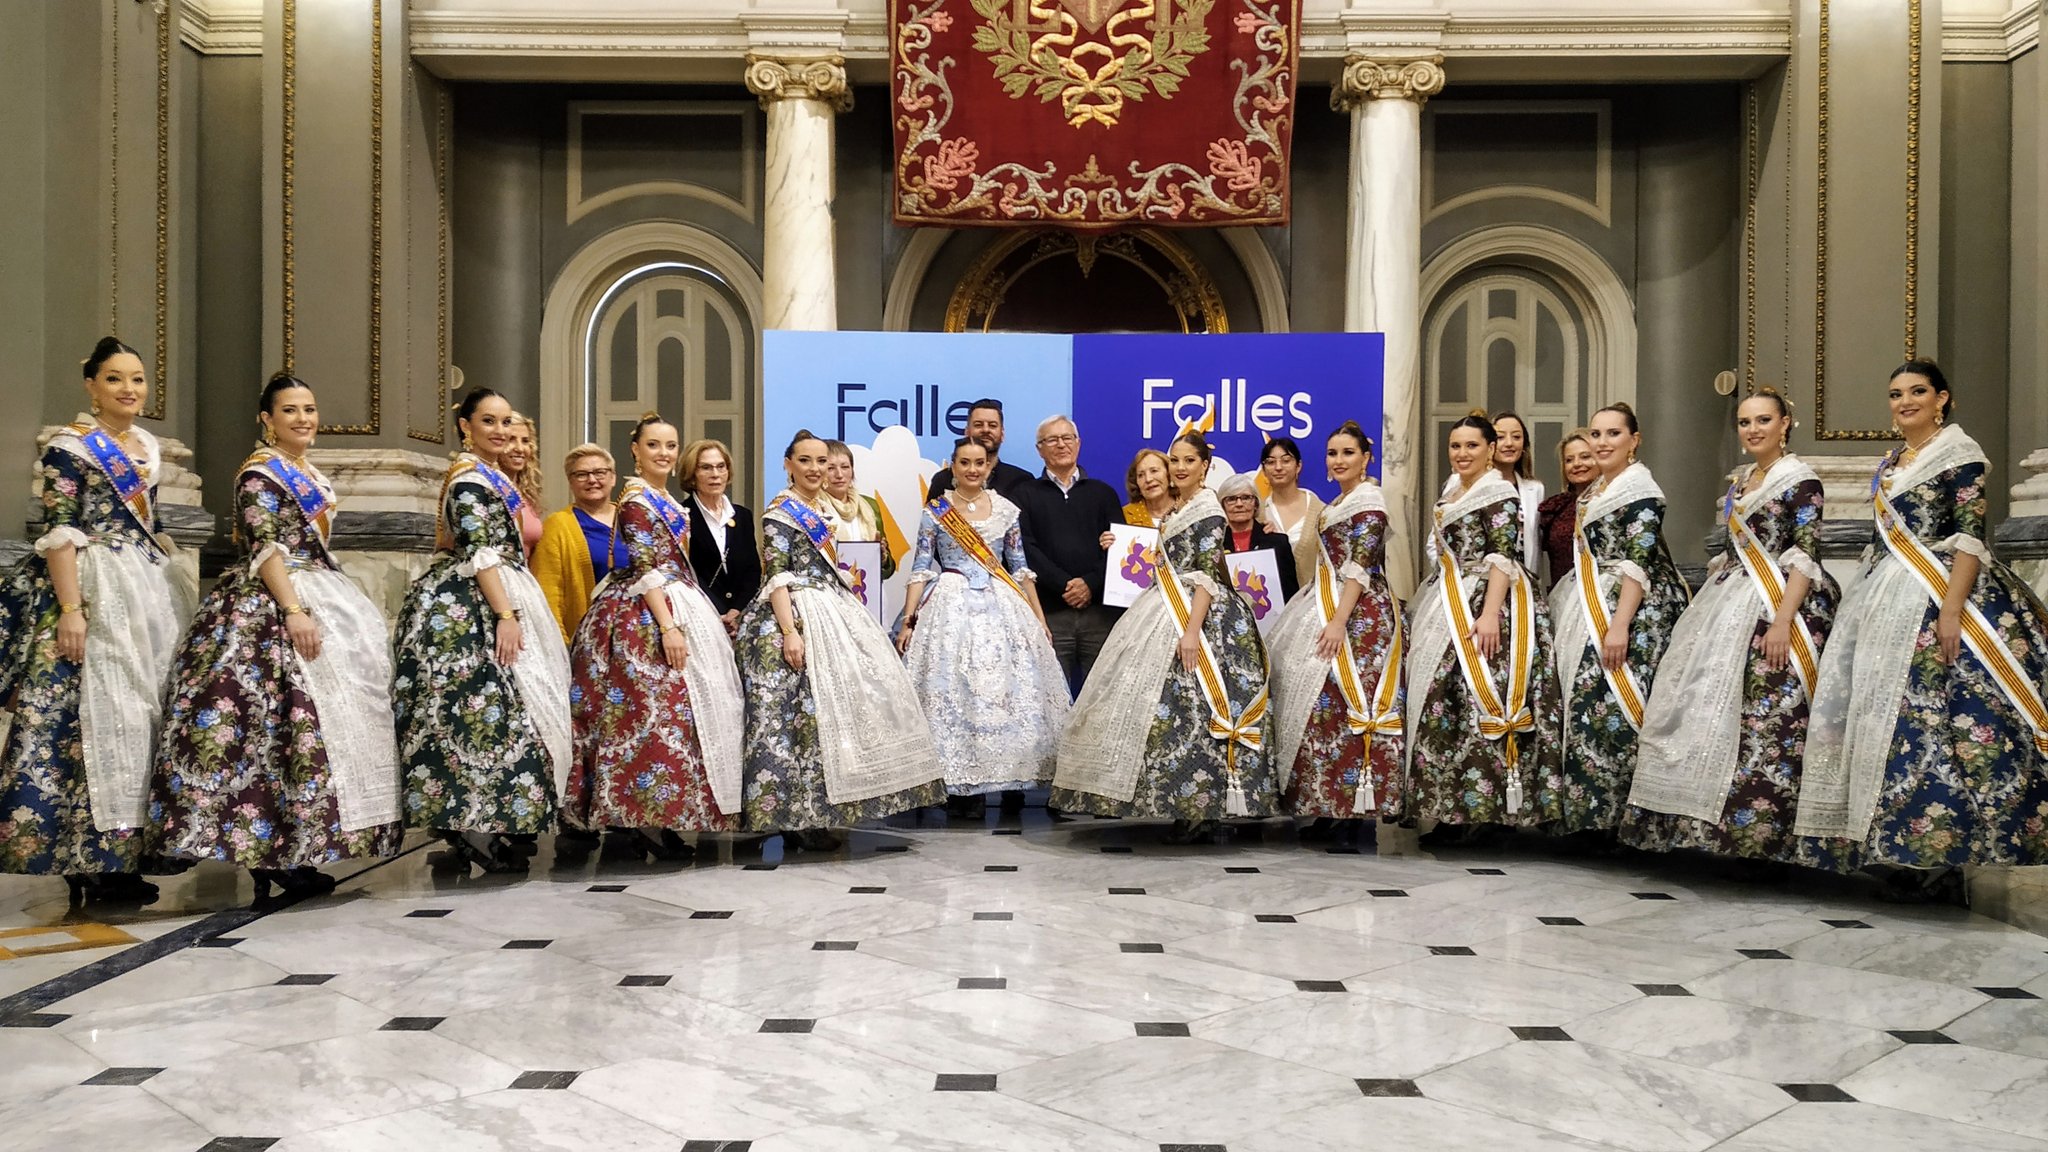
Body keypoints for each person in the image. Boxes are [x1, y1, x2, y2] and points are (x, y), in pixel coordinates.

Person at [1797, 361, 2048, 901]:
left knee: (1938, 723)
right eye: (1895, 393)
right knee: (1882, 721)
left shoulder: (1962, 455)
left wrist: (1952, 610)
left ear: (1942, 399)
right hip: (1884, 597)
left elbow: (1969, 538)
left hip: (1940, 595)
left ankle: (1946, 858)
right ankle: (1894, 848)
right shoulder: (1893, 461)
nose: (1905, 401)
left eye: (1917, 392)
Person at [150, 374, 402, 901]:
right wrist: (293, 610)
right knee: (275, 730)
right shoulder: (259, 476)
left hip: (320, 592)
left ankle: (305, 848)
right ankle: (271, 852)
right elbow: (265, 549)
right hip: (270, 606)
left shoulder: (306, 471)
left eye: (309, 409)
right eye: (290, 410)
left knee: (320, 731)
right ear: (267, 419)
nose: (303, 418)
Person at [0, 337, 195, 903]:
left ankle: (125, 852)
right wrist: (70, 612)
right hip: (90, 586)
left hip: (146, 590)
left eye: (136, 378)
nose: (129, 389)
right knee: (84, 723)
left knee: (143, 718)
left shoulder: (145, 446)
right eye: (114, 378)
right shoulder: (70, 447)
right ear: (91, 384)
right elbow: (58, 531)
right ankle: (83, 855)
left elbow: (146, 522)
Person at [1626, 389, 1839, 862]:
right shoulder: (1742, 481)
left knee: (1767, 721)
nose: (1753, 429)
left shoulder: (1801, 480)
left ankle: (1764, 842)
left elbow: (1805, 555)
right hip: (1732, 600)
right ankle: (1709, 836)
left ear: (1786, 423)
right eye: (1745, 422)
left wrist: (1783, 621)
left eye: (1764, 420)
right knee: (1701, 707)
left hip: (1781, 605)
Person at [1052, 432, 1276, 844]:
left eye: (1188, 460)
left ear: (1205, 466)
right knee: (1172, 715)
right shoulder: (1181, 509)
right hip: (1165, 607)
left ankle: (1203, 808)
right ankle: (1178, 803)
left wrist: (1192, 632)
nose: (1179, 467)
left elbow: (1207, 574)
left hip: (1200, 618)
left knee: (1195, 710)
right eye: (1174, 460)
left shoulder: (1209, 509)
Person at [392, 387, 573, 874]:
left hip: (501, 590)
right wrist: (506, 616)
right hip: (471, 606)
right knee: (484, 715)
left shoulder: (490, 477)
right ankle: (472, 825)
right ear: (465, 426)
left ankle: (495, 822)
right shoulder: (470, 482)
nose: (497, 430)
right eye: (487, 421)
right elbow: (478, 552)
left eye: (503, 420)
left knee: (509, 715)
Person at [737, 430, 944, 851]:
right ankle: (788, 816)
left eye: (820, 461)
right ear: (787, 464)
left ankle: (819, 814)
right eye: (806, 461)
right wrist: (790, 633)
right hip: (792, 617)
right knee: (793, 725)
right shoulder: (781, 511)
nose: (815, 469)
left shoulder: (822, 510)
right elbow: (776, 575)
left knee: (823, 725)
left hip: (831, 610)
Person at [566, 414, 744, 860]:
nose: (663, 453)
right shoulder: (635, 500)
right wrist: (668, 627)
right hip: (645, 615)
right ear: (636, 450)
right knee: (648, 717)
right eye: (654, 446)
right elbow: (646, 568)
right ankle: (639, 814)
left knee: (680, 718)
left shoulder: (662, 497)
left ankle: (664, 813)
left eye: (670, 445)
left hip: (678, 599)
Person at [1401, 414, 1566, 841]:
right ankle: (1452, 809)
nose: (1461, 454)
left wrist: (1491, 613)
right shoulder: (1455, 489)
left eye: (1471, 446)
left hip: (1490, 604)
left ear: (1491, 449)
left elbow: (1503, 556)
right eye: (1455, 446)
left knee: (1481, 701)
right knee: (1446, 705)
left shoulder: (1499, 492)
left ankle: (1488, 813)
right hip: (1449, 598)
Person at [898, 438, 1069, 816]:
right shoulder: (937, 511)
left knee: (1009, 692)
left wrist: (1039, 620)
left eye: (980, 463)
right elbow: (922, 567)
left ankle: (1011, 781)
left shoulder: (1007, 510)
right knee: (955, 692)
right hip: (950, 603)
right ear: (953, 467)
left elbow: (1020, 568)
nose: (973, 470)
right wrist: (909, 620)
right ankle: (961, 792)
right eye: (964, 463)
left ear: (990, 466)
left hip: (1001, 603)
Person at [1547, 402, 1691, 836]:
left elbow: (1639, 563)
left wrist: (1619, 626)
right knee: (1582, 706)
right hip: (1587, 600)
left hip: (1635, 610)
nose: (1602, 442)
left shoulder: (1641, 490)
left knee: (1619, 706)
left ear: (1634, 440)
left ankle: (1625, 822)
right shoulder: (1596, 492)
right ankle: (1586, 818)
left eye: (1613, 434)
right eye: (1596, 434)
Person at [1264, 423, 1406, 832]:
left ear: (1366, 458)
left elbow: (1360, 569)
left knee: (1353, 706)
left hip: (1360, 617)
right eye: (1332, 453)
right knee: (1323, 709)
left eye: (1347, 453)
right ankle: (1328, 804)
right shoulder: (1338, 502)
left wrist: (1340, 621)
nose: (1339, 460)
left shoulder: (1370, 502)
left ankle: (1356, 811)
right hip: (1326, 604)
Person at [1013, 415, 1125, 695]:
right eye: (1052, 440)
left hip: (1100, 613)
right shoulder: (1024, 494)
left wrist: (1089, 584)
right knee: (1051, 698)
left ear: (1079, 443)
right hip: (1050, 613)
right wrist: (1065, 584)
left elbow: (1120, 549)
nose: (1061, 445)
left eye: (1067, 438)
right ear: (1039, 449)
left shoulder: (1104, 493)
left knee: (1101, 697)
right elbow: (1025, 548)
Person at [530, 443, 628, 641]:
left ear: (613, 477)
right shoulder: (558, 525)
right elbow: (549, 593)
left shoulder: (632, 518)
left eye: (600, 472)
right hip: (588, 639)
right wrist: (561, 646)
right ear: (570, 481)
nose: (592, 480)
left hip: (636, 634)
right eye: (581, 474)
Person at [681, 437, 761, 637]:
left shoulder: (742, 516)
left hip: (740, 620)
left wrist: (736, 611)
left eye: (720, 467)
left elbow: (752, 571)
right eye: (706, 468)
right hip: (698, 619)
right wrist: (717, 613)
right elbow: (686, 574)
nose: (715, 474)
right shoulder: (680, 515)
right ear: (692, 474)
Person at [926, 399, 1034, 501]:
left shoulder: (1021, 480)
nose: (986, 430)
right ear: (967, 432)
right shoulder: (943, 480)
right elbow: (931, 519)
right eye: (978, 425)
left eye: (992, 425)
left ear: (1002, 434)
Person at [821, 440, 897, 580]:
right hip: (829, 591)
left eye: (845, 467)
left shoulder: (870, 506)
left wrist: (882, 557)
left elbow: (888, 569)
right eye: (831, 468)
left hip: (868, 592)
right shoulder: (814, 508)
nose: (839, 474)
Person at [1218, 473, 1299, 604]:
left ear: (1256, 504)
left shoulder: (1278, 542)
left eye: (1246, 498)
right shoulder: (1215, 544)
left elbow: (1291, 594)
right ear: (1222, 506)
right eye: (1231, 499)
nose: (1239, 504)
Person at [1258, 437, 1324, 594]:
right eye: (1271, 462)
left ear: (1298, 466)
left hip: (1313, 604)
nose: (1278, 467)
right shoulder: (1257, 514)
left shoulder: (1321, 512)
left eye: (1286, 460)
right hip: (1269, 608)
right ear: (1264, 469)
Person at [1537, 430, 1597, 594]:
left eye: (1585, 457)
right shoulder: (1555, 508)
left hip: (1602, 599)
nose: (1577, 464)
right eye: (1569, 460)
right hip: (1563, 598)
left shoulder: (1613, 502)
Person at [501, 413, 546, 560]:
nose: (520, 448)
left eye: (525, 441)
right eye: (511, 440)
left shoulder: (527, 494)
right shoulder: (486, 487)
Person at [1121, 448, 1175, 527]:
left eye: (1154, 471)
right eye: (1141, 475)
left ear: (1169, 474)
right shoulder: (1124, 516)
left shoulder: (1188, 509)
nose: (1148, 479)